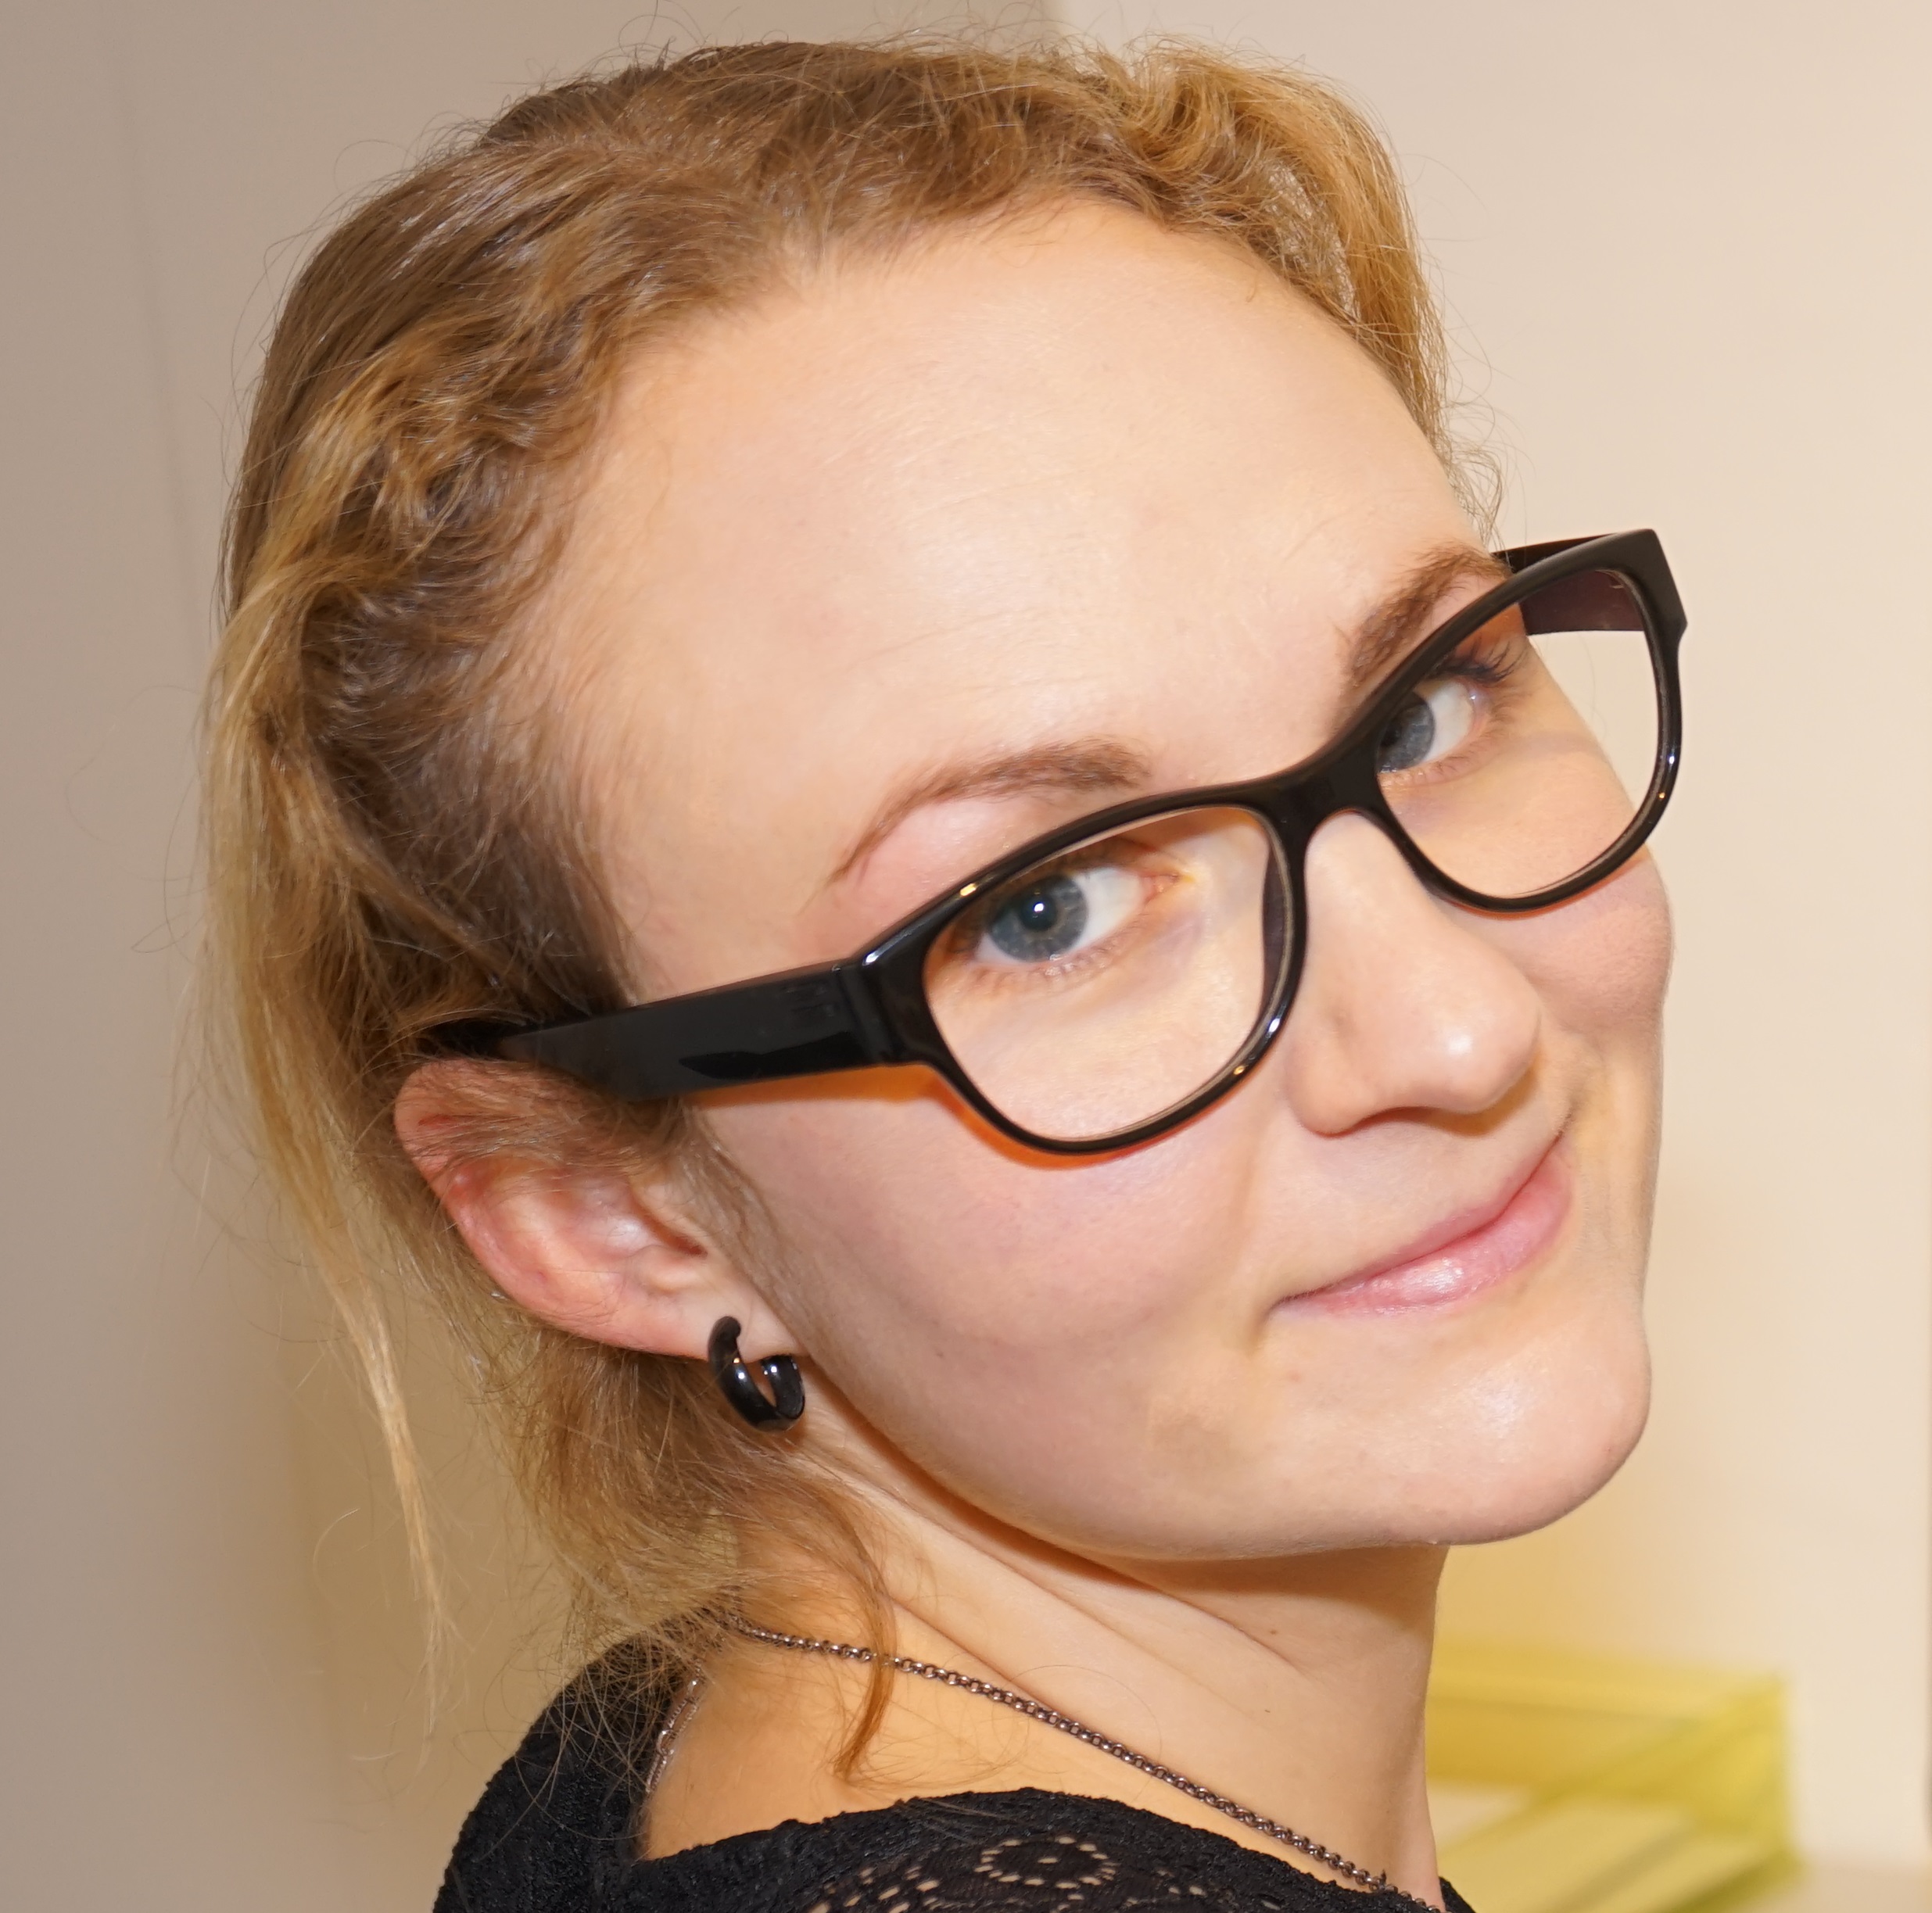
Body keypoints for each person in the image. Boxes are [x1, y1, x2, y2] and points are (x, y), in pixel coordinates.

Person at [204, 37, 1681, 1913]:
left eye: (1423, 707)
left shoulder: (690, 1755)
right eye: (1046, 909)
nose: (1460, 1030)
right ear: (609, 1210)